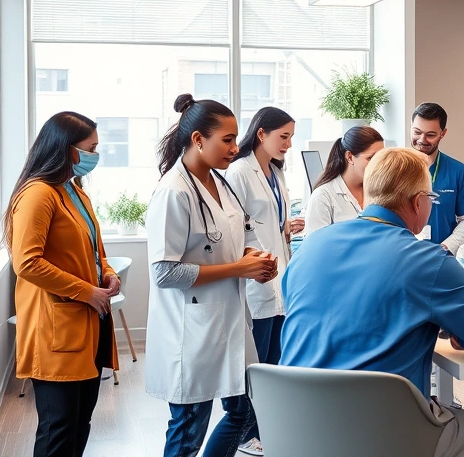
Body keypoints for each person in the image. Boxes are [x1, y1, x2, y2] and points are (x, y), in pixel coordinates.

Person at [279, 147, 464, 457]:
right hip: (380, 434)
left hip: (295, 427)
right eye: (431, 200)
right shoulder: (429, 261)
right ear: (418, 202)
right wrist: (451, 325)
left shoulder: (309, 248)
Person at [145, 94, 279, 457]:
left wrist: (256, 261)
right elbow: (163, 272)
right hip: (193, 330)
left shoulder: (222, 184)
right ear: (198, 140)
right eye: (228, 140)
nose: (236, 148)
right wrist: (238, 269)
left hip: (230, 321)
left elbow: (240, 235)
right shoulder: (173, 192)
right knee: (189, 428)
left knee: (243, 410)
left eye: (236, 139)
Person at [6, 112, 120, 457]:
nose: (95, 155)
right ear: (67, 149)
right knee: (58, 429)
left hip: (90, 325)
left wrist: (108, 274)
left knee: (79, 423)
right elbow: (27, 262)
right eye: (91, 148)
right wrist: (87, 291)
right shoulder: (38, 194)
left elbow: (94, 250)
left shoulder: (73, 190)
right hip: (58, 329)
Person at [225, 106, 300, 456]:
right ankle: (245, 433)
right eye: (283, 136)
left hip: (278, 276)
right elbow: (235, 226)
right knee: (256, 363)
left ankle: (265, 428)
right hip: (257, 280)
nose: (287, 143)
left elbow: (269, 219)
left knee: (274, 361)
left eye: (290, 137)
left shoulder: (276, 172)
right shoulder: (240, 171)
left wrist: (287, 227)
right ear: (261, 133)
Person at [410, 102, 464, 254]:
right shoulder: (395, 168)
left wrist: (446, 247)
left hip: (441, 257)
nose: (422, 140)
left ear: (443, 133)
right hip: (404, 255)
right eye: (416, 132)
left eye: (430, 135)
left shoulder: (457, 170)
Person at [303, 125, 384, 235]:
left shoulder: (381, 190)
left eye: (381, 158)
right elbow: (315, 247)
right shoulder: (323, 197)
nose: (378, 164)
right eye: (371, 158)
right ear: (349, 157)